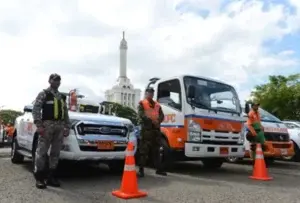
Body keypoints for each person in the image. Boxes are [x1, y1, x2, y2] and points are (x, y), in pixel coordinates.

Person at [32, 73, 71, 189]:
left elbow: (66, 113)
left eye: (59, 80)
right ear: (49, 81)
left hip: (59, 127)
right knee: (42, 152)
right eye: (54, 80)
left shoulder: (62, 97)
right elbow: (36, 109)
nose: (57, 82)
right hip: (47, 126)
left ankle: (51, 177)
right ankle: (39, 178)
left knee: (55, 153)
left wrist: (67, 126)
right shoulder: (44, 94)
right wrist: (39, 125)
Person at [137, 87, 167, 177]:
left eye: (152, 93)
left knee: (157, 151)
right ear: (146, 93)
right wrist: (151, 121)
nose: (150, 94)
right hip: (146, 131)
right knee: (143, 152)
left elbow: (162, 115)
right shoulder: (142, 103)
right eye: (149, 92)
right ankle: (141, 170)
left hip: (156, 131)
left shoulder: (157, 105)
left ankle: (159, 169)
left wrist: (158, 121)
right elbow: (141, 114)